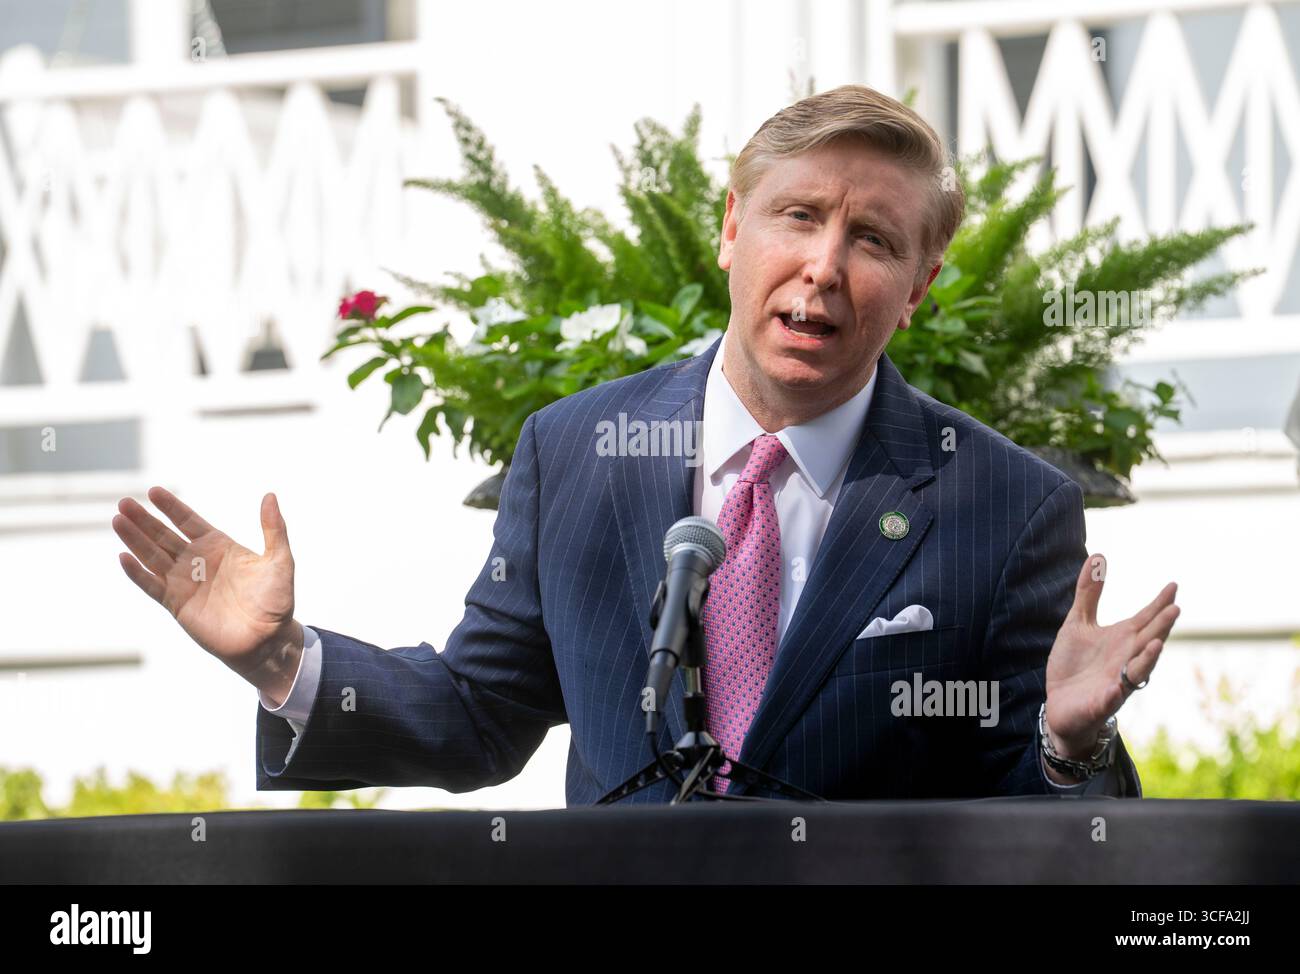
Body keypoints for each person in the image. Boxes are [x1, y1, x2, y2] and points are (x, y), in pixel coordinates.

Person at [112, 85, 1179, 803]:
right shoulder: (575, 453)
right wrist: (281, 656)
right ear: (728, 227)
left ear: (919, 285)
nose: (821, 266)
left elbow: (1045, 820)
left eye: (871, 239)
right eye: (796, 216)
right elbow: (481, 712)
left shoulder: (1004, 504)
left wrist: (1069, 741)